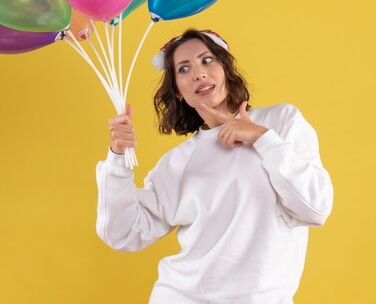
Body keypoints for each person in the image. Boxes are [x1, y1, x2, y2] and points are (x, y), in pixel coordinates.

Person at [96, 28, 333, 304]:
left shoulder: (280, 121)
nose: (198, 73)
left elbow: (316, 206)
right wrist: (117, 158)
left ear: (226, 69)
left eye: (207, 60)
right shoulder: (177, 163)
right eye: (184, 69)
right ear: (179, 92)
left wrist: (261, 137)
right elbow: (123, 233)